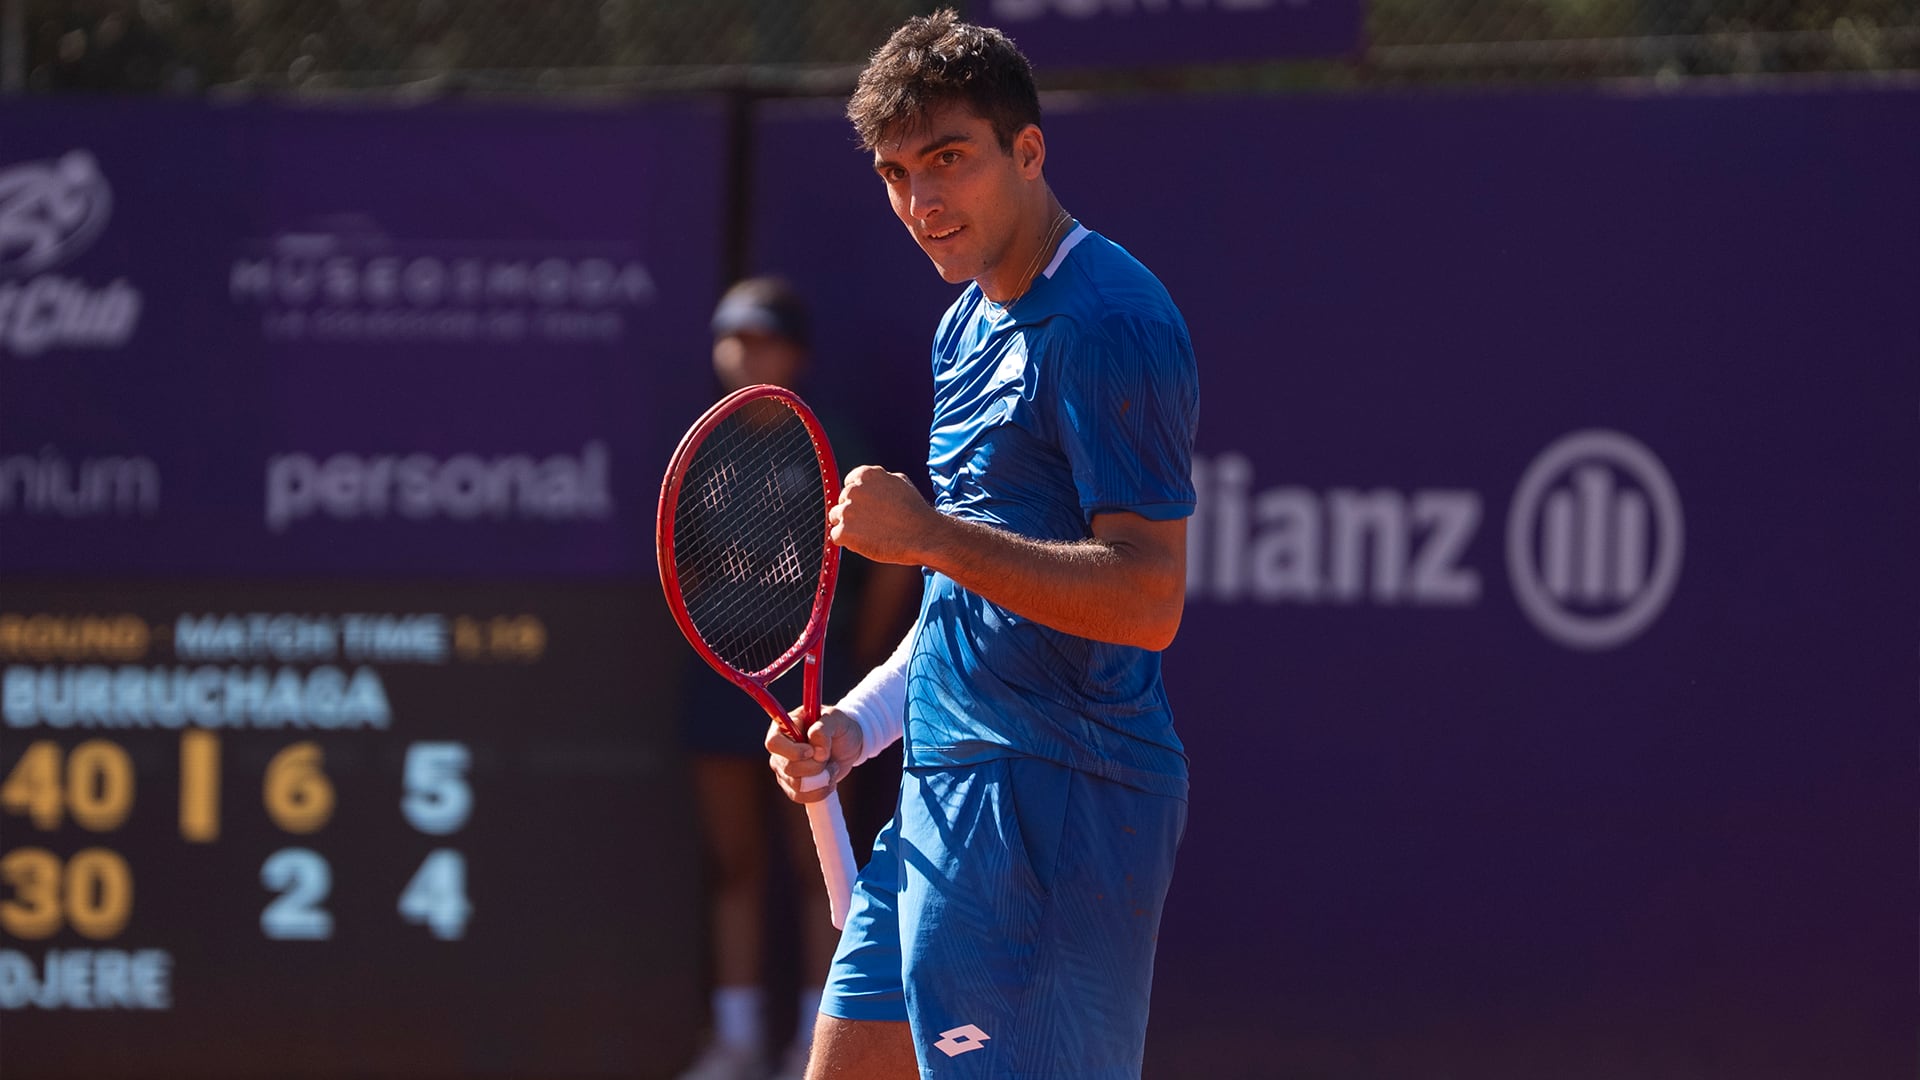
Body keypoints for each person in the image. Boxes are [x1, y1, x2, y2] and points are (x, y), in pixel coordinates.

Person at [763, 11, 1200, 1079]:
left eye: (949, 159)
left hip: (1056, 803)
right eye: (896, 173)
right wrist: (860, 726)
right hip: (942, 789)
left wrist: (929, 536)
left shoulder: (1110, 323)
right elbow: (967, 602)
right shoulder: (963, 326)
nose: (922, 202)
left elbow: (1149, 598)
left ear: (1028, 151)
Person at [679, 277, 920, 1080]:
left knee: (821, 862)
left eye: (766, 341)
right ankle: (737, 1040)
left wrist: (858, 653)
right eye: (735, 340)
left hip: (818, 674)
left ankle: (815, 1050)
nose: (749, 356)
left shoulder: (831, 443)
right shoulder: (703, 448)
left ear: (796, 354)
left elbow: (895, 557)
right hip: (725, 672)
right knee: (733, 859)